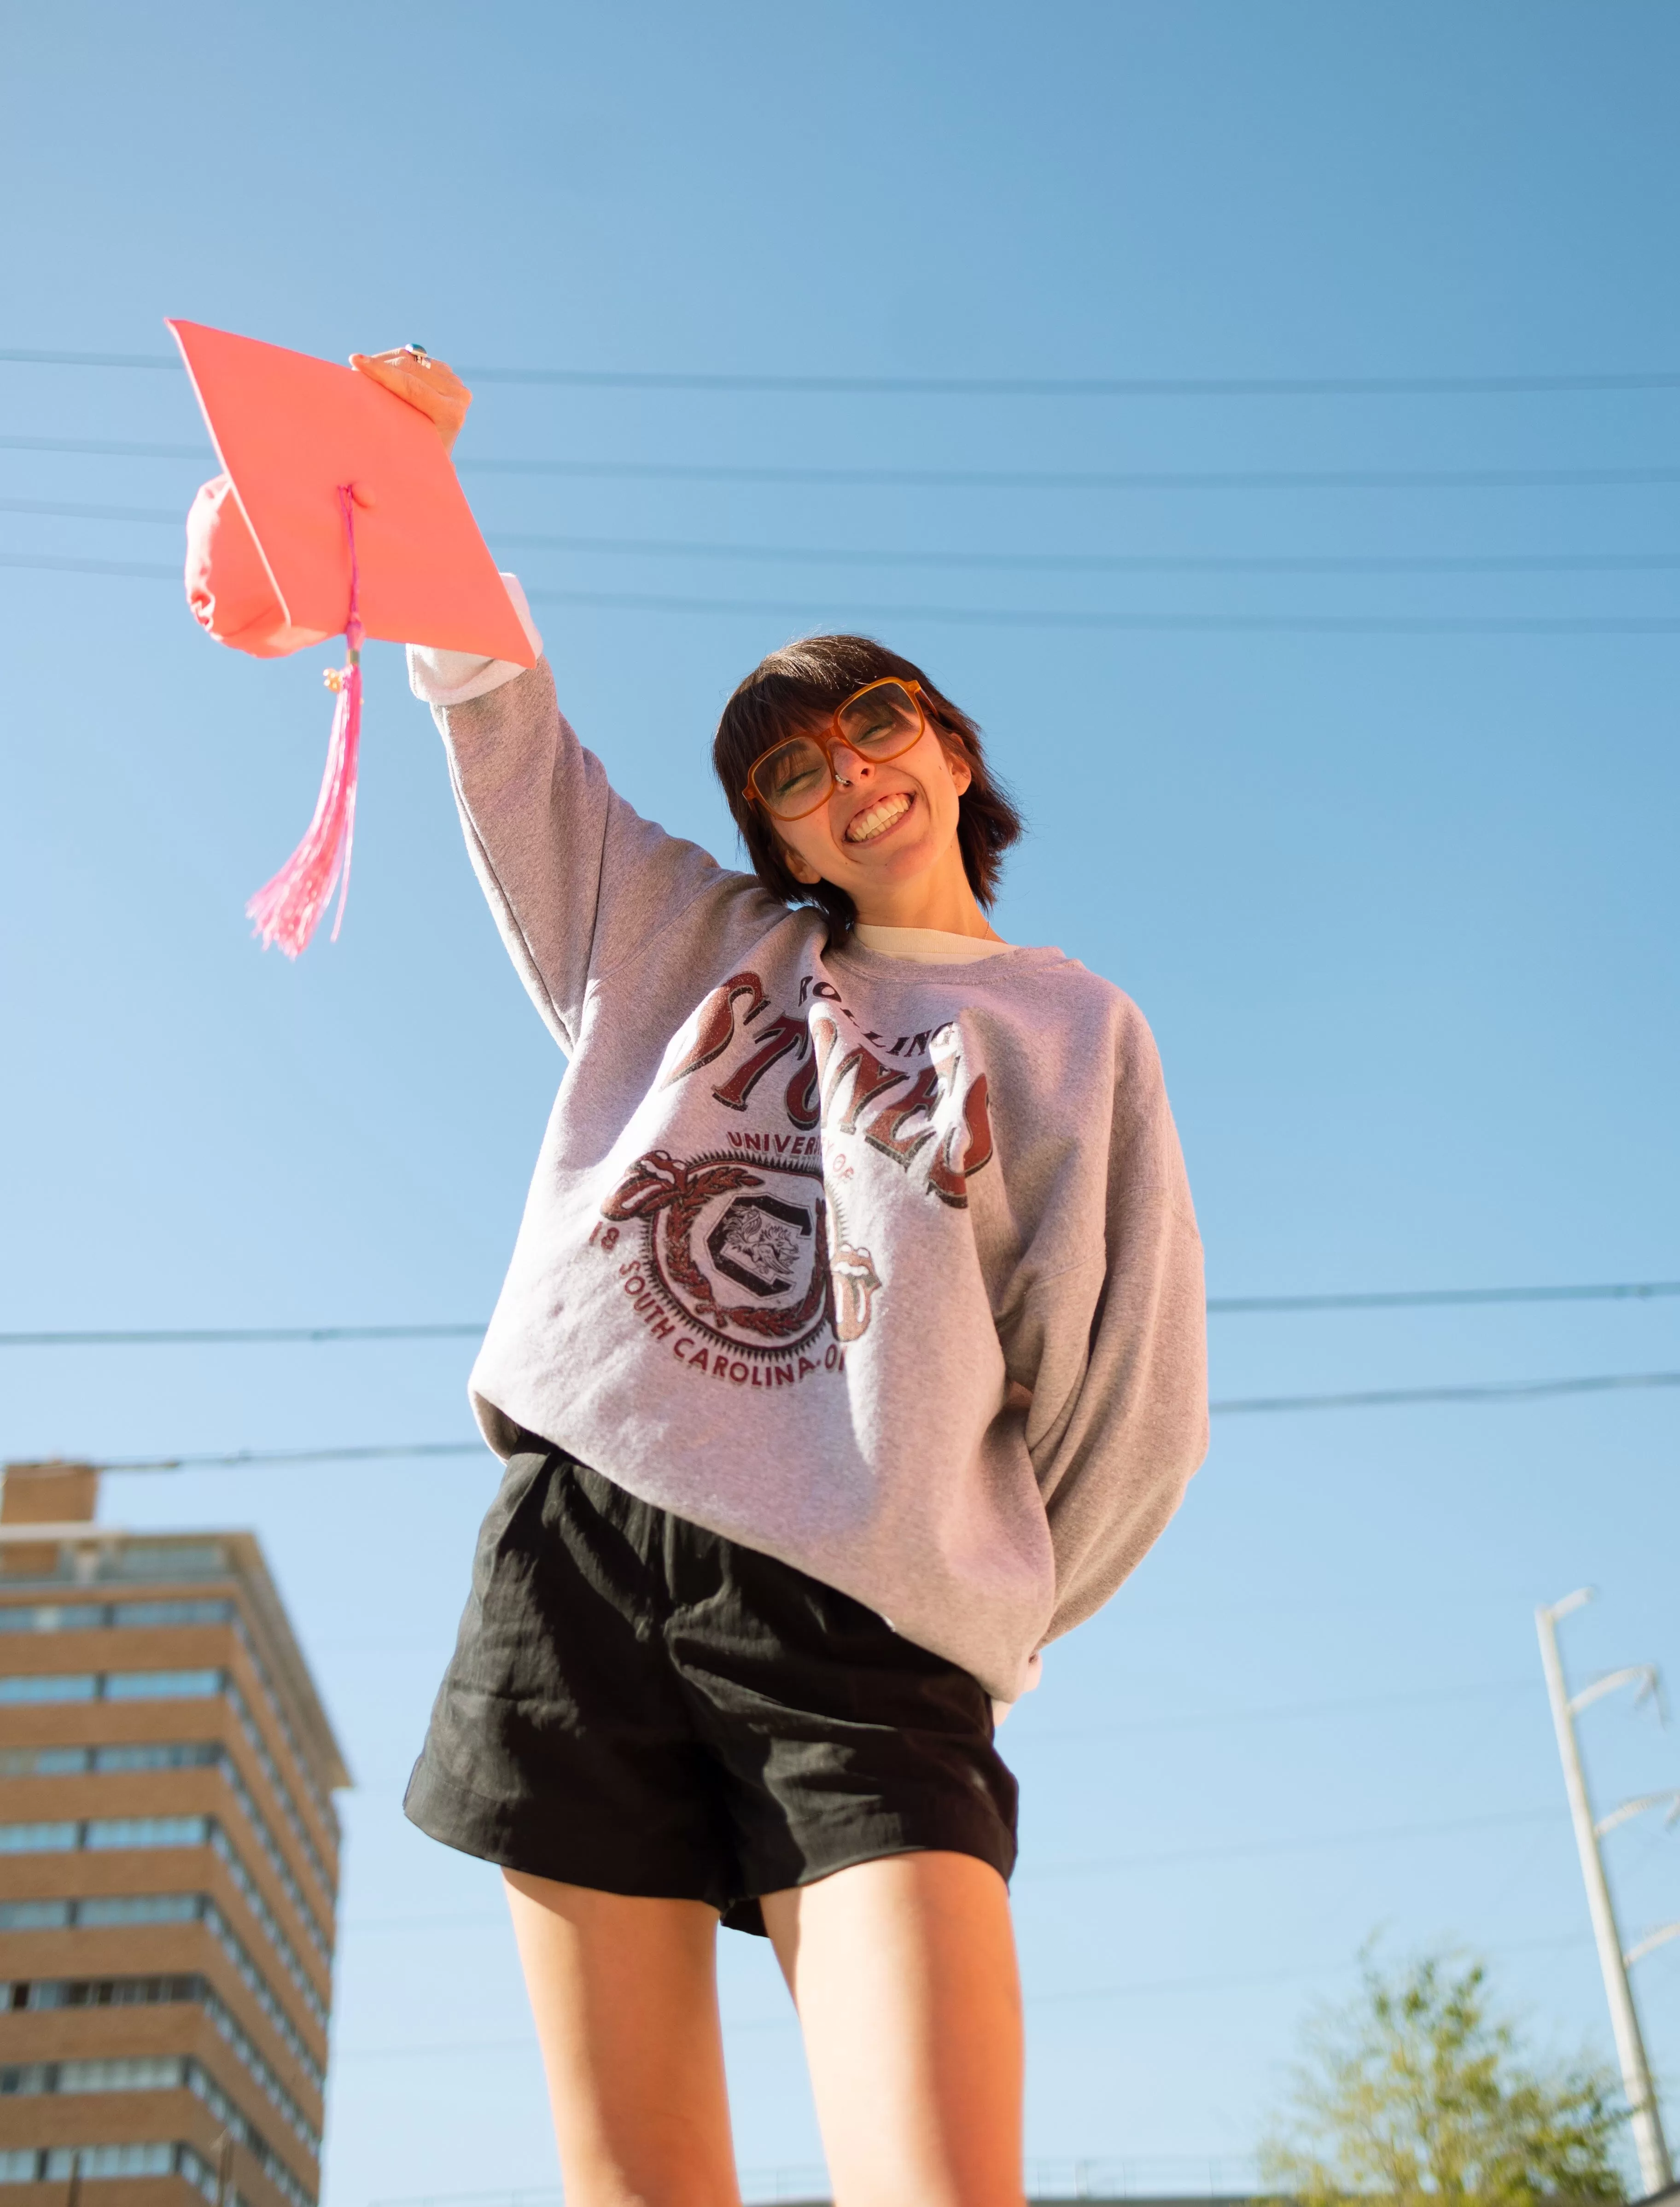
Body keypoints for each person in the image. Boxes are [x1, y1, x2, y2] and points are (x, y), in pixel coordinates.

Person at [270, 348, 1208, 2207]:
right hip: (582, 1558)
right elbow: (501, 721)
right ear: (771, 830)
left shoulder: (1067, 1030)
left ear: (948, 748)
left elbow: (1124, 1403)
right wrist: (410, 477)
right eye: (792, 771)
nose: (845, 777)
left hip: (867, 1628)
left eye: (876, 729)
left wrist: (972, 1597)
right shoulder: (675, 938)